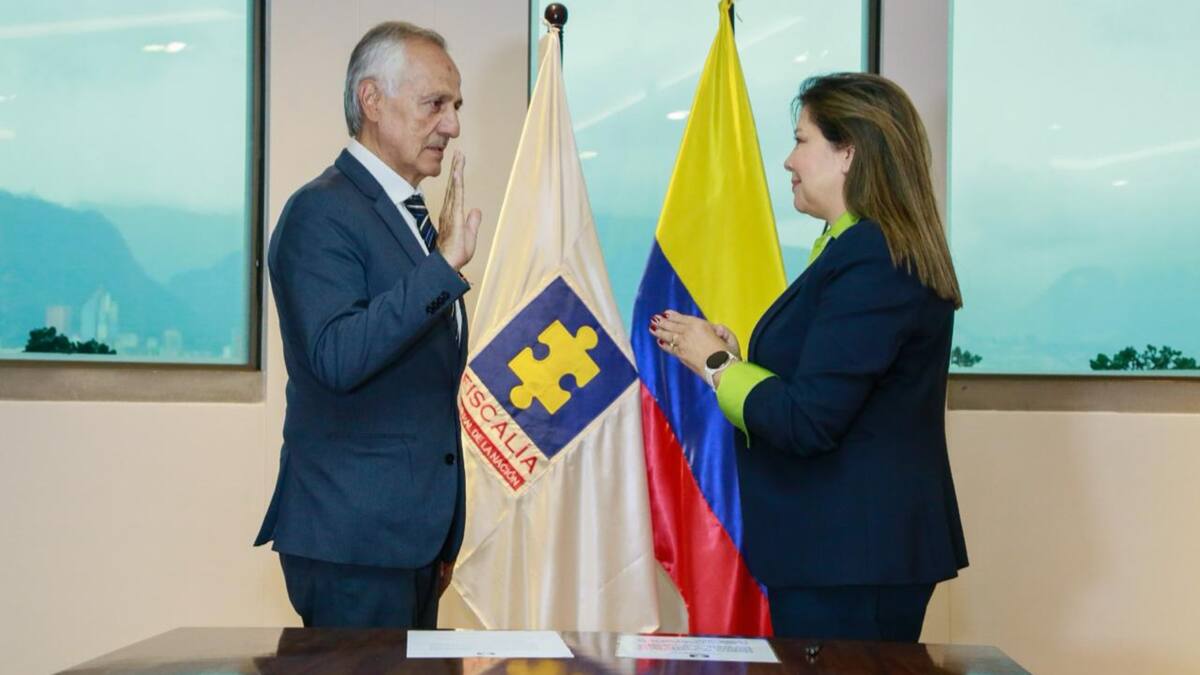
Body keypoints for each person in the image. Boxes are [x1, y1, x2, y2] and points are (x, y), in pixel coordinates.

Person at [649, 72, 968, 641]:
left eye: (801, 140)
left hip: (852, 558)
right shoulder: (852, 248)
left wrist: (716, 366)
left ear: (848, 153)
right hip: (841, 552)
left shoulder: (873, 256)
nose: (788, 161)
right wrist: (735, 359)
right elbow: (826, 385)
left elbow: (809, 419)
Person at [254, 21, 481, 628]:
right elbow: (336, 356)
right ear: (372, 100)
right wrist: (441, 270)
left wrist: (443, 530)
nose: (452, 126)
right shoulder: (320, 211)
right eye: (435, 104)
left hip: (412, 543)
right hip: (354, 545)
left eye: (456, 107)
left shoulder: (408, 215)